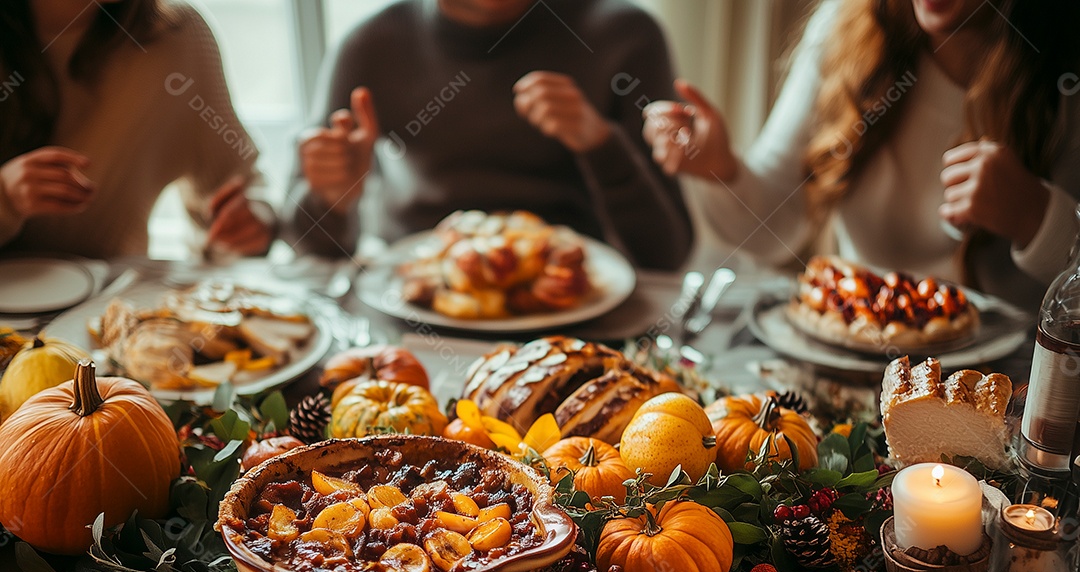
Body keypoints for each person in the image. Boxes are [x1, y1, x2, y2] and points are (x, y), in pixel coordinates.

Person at [642, 0, 1080, 312]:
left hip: (1006, 393)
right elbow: (772, 228)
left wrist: (1039, 219)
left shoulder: (1064, 74)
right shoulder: (847, 23)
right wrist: (720, 169)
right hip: (855, 345)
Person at [284, 0, 692, 271]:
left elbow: (666, 254)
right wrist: (330, 198)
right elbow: (306, 244)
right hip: (414, 314)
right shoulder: (370, 45)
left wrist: (601, 144)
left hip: (575, 315)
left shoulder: (624, 35)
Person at [0, 0, 275, 259]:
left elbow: (238, 186)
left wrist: (254, 218)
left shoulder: (175, 35)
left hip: (117, 302)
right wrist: (5, 198)